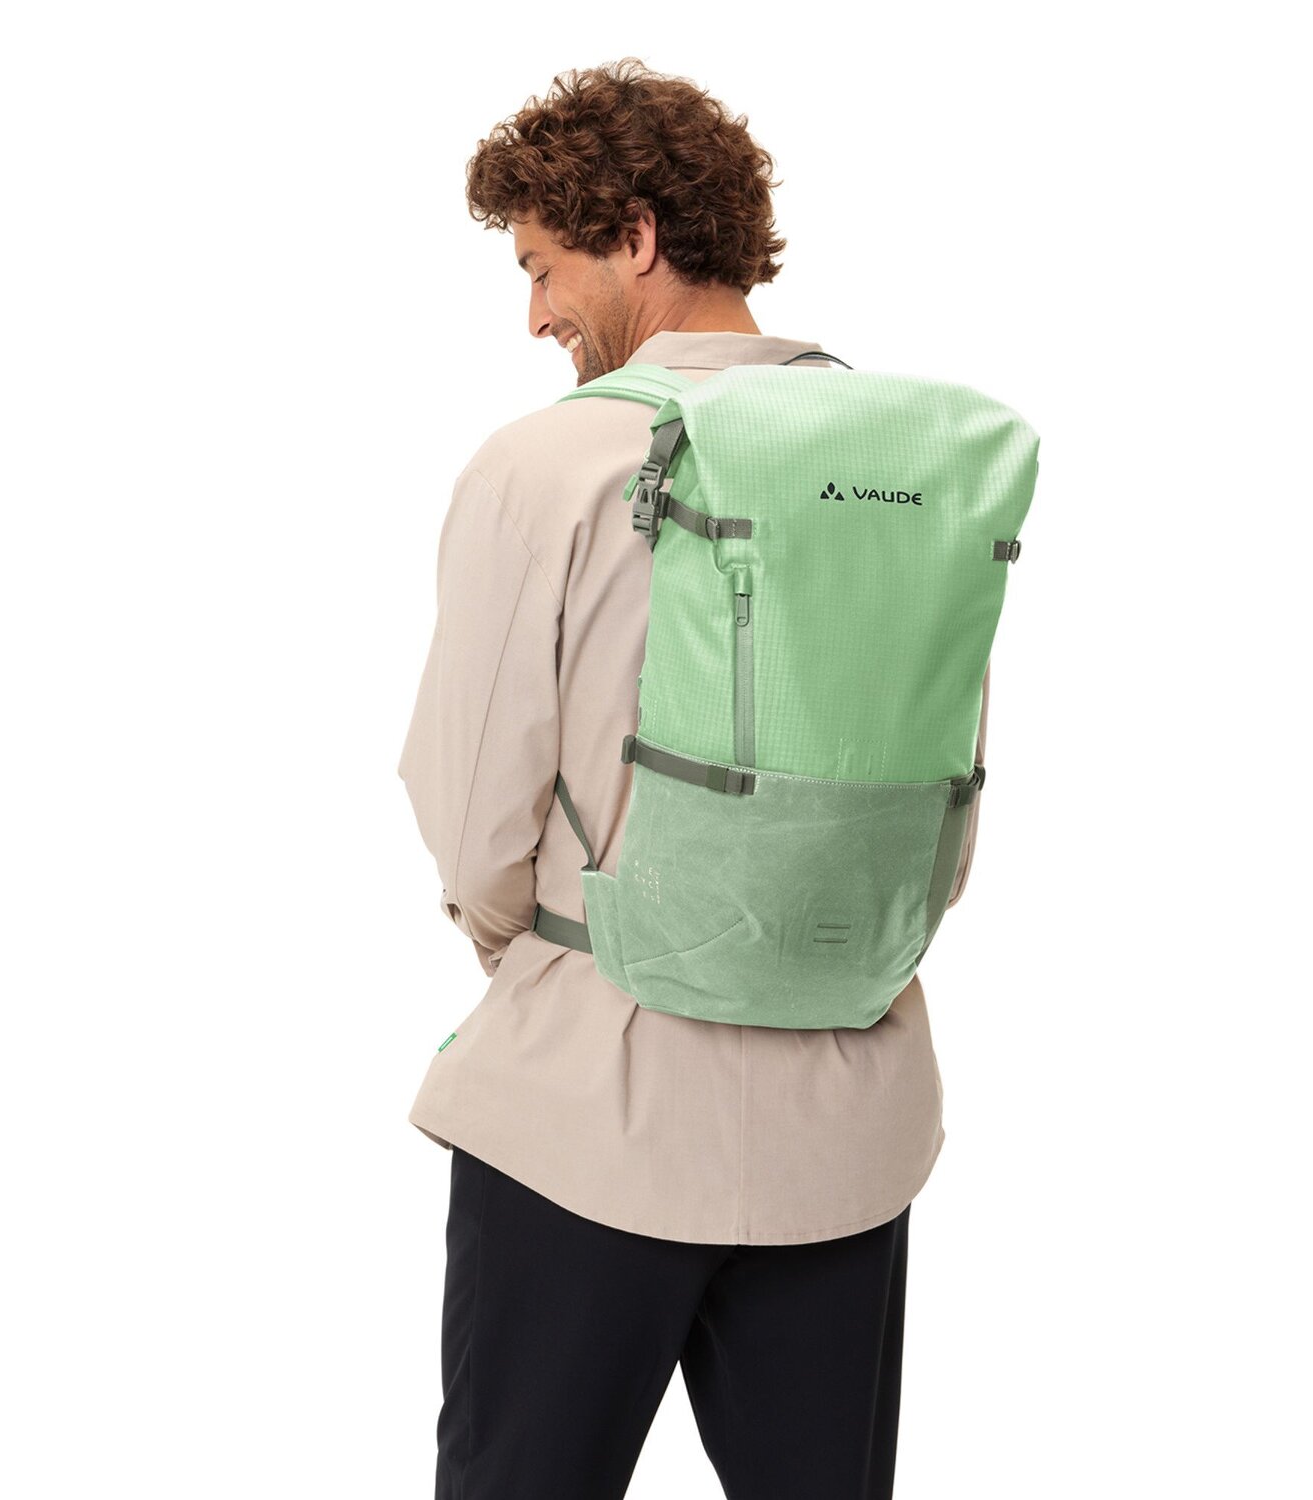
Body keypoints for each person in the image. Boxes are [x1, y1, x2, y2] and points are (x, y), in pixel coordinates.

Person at [397, 57, 991, 1500]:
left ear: (638, 236)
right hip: (848, 1126)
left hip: (589, 1114)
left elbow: (471, 804)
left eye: (542, 267)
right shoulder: (914, 459)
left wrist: (547, 956)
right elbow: (944, 791)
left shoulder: (547, 464)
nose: (534, 314)